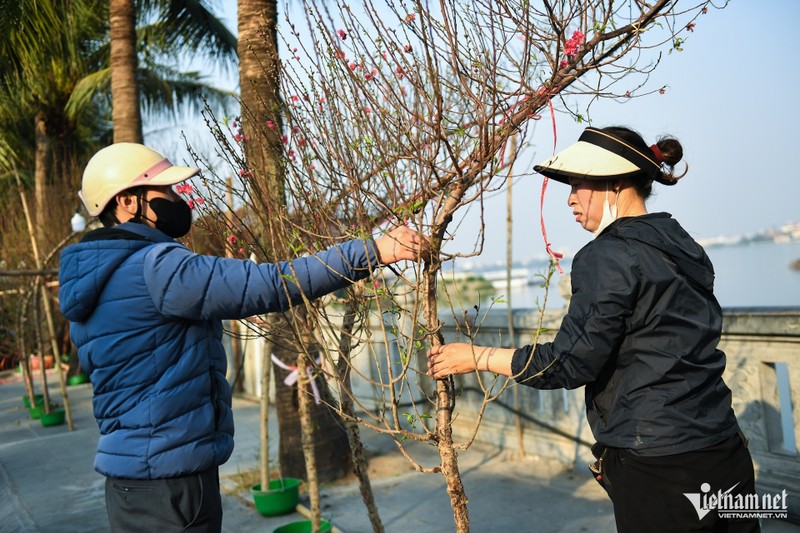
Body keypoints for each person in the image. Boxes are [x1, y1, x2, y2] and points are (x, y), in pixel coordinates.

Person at [59, 142, 427, 532]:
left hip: (127, 480)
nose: (176, 199)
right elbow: (269, 284)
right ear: (129, 202)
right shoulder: (157, 268)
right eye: (164, 192)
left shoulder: (92, 284)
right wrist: (373, 251)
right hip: (172, 483)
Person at [427, 126, 760, 533]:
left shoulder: (607, 255)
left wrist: (477, 357)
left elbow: (569, 363)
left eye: (579, 184)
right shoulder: (684, 244)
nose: (570, 198)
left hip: (660, 465)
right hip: (723, 448)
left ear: (616, 184)